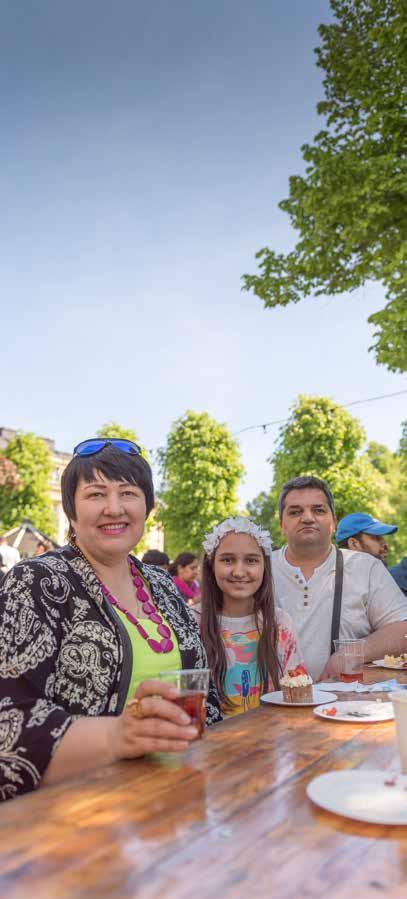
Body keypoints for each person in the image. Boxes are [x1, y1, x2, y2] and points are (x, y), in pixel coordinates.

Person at [0, 437, 221, 801]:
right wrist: (118, 736)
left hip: (177, 797)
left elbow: (204, 698)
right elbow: (10, 723)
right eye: (96, 494)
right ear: (72, 509)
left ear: (147, 506)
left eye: (128, 493)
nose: (114, 508)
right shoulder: (36, 581)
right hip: (77, 818)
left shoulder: (163, 585)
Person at [272, 476, 407, 682]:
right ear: (282, 524)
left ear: (333, 522)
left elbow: (402, 629)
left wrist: (349, 654)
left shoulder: (366, 567)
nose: (307, 518)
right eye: (295, 511)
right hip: (267, 706)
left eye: (318, 510)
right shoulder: (259, 570)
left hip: (344, 707)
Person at [195, 516, 305, 716]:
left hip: (270, 738)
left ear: (264, 566)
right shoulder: (192, 622)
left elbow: (297, 691)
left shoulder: (279, 624)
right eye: (227, 560)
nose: (239, 571)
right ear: (211, 565)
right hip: (211, 743)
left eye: (251, 560)